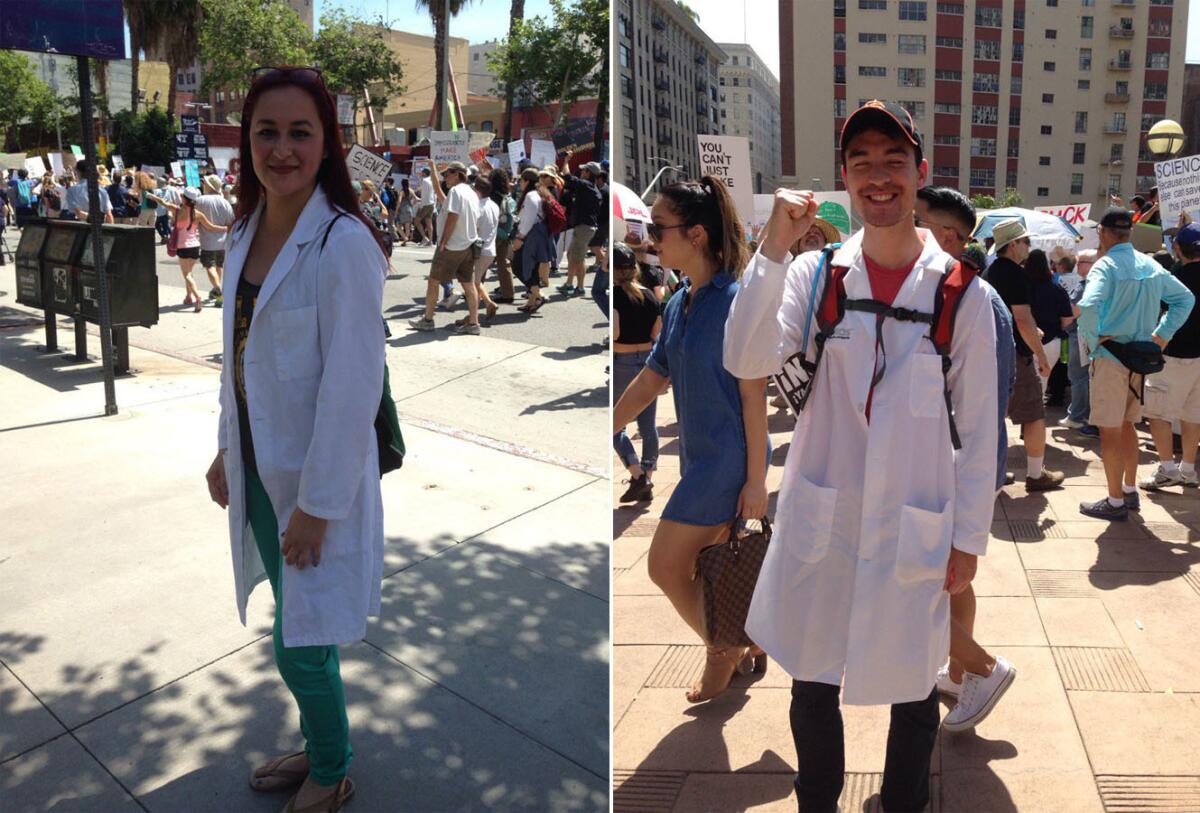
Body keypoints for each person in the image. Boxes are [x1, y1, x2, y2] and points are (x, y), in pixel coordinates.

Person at [724, 101, 998, 812]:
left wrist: (968, 538)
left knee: (913, 686)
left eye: (892, 160)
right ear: (843, 176)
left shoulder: (962, 293)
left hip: (915, 520)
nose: (878, 177)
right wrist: (773, 248)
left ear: (919, 171)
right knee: (812, 681)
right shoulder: (813, 276)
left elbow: (978, 432)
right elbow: (745, 356)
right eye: (861, 162)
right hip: (826, 510)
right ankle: (818, 801)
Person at [203, 65, 387, 813]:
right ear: (247, 141)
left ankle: (333, 766)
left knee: (300, 642)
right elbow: (237, 361)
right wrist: (225, 446)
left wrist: (316, 504)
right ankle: (321, 745)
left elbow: (353, 389)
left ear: (327, 144)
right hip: (257, 465)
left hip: (314, 483)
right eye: (266, 131)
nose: (282, 148)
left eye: (299, 132)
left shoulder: (343, 243)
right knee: (297, 623)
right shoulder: (243, 233)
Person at [612, 175, 769, 704]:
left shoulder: (736, 302)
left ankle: (723, 648)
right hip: (700, 460)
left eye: (660, 228)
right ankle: (737, 642)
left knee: (664, 565)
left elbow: (754, 398)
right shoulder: (679, 302)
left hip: (728, 463)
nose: (651, 239)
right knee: (708, 568)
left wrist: (756, 481)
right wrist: (608, 425)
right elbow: (653, 378)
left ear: (697, 234)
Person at [915, 185, 1019, 730]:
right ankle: (960, 669)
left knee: (920, 584)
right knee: (950, 579)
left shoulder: (970, 298)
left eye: (917, 222)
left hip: (955, 468)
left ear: (948, 238)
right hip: (960, 466)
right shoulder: (954, 293)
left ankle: (981, 667)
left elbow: (978, 412)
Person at [1076, 207, 1195, 520]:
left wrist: (1091, 341)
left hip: (1110, 358)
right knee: (1128, 426)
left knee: (1110, 432)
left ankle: (1115, 501)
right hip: (1140, 360)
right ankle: (1128, 492)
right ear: (1128, 232)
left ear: (1103, 232)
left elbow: (1088, 306)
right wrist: (1161, 336)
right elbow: (1185, 300)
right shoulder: (1150, 264)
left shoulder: (1106, 267)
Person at [986, 219, 1064, 491]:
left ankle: (994, 472)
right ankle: (1035, 474)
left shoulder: (991, 271)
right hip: (1016, 355)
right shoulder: (1016, 274)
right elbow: (1021, 317)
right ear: (1013, 245)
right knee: (1034, 414)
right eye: (1026, 241)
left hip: (991, 351)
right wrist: (1041, 356)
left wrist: (1033, 330)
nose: (1029, 247)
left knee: (993, 416)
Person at [1137, 223, 1200, 490]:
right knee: (1192, 415)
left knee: (1158, 413)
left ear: (1177, 247)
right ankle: (1187, 469)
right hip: (1198, 359)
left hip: (1173, 356)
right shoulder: (1178, 274)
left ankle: (1167, 468)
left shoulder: (1177, 279)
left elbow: (1158, 307)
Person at [612, 242, 662, 502]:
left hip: (622, 360)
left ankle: (637, 474)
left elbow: (616, 333)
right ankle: (648, 478)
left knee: (615, 423)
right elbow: (657, 334)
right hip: (647, 361)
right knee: (648, 425)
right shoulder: (651, 296)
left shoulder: (616, 295)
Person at [408, 161, 479, 334]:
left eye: (448, 174)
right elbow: (440, 196)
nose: (445, 177)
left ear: (457, 174)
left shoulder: (456, 191)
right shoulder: (471, 192)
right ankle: (473, 324)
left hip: (452, 246)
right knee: (469, 285)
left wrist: (444, 242)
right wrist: (433, 170)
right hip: (468, 246)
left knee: (433, 282)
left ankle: (428, 319)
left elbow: (453, 216)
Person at [156, 186, 228, 312]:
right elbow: (211, 227)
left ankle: (197, 297)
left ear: (184, 198)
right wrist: (226, 229)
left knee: (187, 274)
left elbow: (164, 203)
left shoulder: (177, 210)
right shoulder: (198, 214)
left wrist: (153, 196)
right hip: (195, 246)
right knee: (189, 272)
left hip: (183, 247)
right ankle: (188, 297)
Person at [1024, 249, 1075, 392]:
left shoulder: (1022, 288)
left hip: (1025, 340)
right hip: (1051, 341)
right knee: (1042, 383)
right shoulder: (1057, 289)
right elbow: (1067, 318)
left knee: (1023, 386)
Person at [1061, 250, 1099, 434]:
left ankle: (1076, 415)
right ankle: (1081, 414)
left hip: (1080, 335)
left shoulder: (1087, 285)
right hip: (1085, 334)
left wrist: (1061, 321)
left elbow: (1075, 311)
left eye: (1081, 261)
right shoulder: (1092, 284)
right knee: (1083, 376)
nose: (1077, 265)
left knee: (1078, 376)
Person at [557, 151, 602, 296]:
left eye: (583, 170)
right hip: (585, 227)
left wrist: (566, 161)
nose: (581, 172)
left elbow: (567, 176)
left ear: (588, 173)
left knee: (575, 257)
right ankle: (575, 285)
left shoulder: (586, 186)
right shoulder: (592, 188)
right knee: (574, 255)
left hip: (584, 227)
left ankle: (573, 285)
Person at [510, 167, 554, 314]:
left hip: (530, 236)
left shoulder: (531, 196)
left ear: (527, 181)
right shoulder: (540, 193)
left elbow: (528, 220)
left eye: (520, 180)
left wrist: (519, 237)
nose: (519, 183)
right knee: (531, 268)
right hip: (538, 234)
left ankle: (538, 295)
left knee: (519, 266)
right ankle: (532, 301)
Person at [196, 174, 236, 307]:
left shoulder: (200, 200)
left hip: (207, 241)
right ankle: (216, 289)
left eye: (205, 183)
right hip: (224, 241)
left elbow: (194, 219)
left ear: (209, 186)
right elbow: (231, 222)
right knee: (219, 266)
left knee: (209, 267)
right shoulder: (225, 201)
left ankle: (219, 291)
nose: (203, 185)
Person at [466, 174, 500, 326]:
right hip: (490, 249)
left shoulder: (478, 207)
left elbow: (473, 230)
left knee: (471, 284)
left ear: (477, 190)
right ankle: (486, 304)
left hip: (479, 250)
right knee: (476, 281)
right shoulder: (493, 205)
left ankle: (474, 316)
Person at [490, 168, 517, 303]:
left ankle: (475, 290)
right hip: (505, 232)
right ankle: (508, 293)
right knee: (503, 262)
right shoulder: (507, 195)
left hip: (493, 233)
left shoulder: (491, 196)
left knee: (482, 261)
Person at [415, 166, 436, 246]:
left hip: (425, 204)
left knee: (416, 221)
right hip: (431, 203)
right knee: (428, 221)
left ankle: (425, 238)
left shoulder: (424, 181)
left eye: (421, 172)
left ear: (424, 173)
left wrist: (421, 206)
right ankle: (430, 240)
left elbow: (424, 195)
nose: (420, 173)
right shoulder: (431, 180)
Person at [396, 178, 416, 245]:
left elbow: (399, 201)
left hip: (402, 210)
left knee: (398, 226)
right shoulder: (411, 190)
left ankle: (405, 238)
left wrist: (396, 211)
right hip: (409, 209)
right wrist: (412, 205)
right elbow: (416, 199)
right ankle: (405, 241)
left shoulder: (402, 191)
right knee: (407, 226)